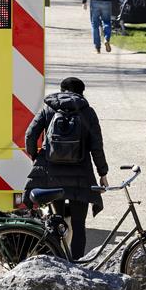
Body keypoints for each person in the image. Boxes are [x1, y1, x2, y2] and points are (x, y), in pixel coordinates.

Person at [24, 77, 109, 261]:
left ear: (62, 90)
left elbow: (30, 135)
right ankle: (77, 264)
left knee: (56, 222)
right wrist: (103, 173)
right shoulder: (88, 113)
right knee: (79, 225)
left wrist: (37, 158)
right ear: (81, 93)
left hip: (52, 176)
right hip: (81, 176)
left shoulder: (48, 108)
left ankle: (58, 262)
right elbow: (97, 146)